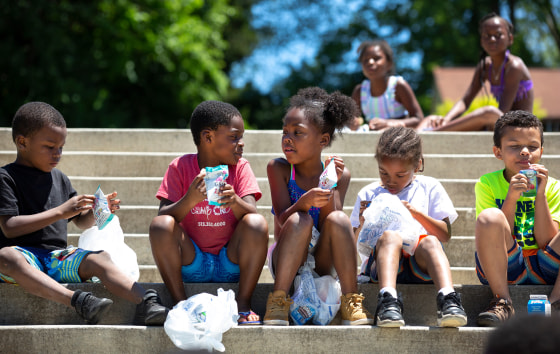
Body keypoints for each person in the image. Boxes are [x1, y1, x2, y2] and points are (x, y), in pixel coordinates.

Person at [0, 102, 168, 325]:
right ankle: (79, 301)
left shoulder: (59, 178)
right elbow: (9, 227)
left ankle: (147, 301)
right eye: (50, 147)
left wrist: (98, 212)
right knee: (5, 257)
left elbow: (79, 221)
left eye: (61, 147)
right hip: (23, 257)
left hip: (57, 258)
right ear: (22, 142)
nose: (57, 154)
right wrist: (61, 211)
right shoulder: (6, 178)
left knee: (100, 257)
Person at [149, 100, 268, 325]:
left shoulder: (240, 167)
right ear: (208, 137)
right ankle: (181, 306)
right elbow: (163, 215)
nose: (241, 144)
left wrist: (234, 201)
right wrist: (190, 200)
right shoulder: (180, 167)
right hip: (192, 261)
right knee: (160, 225)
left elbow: (252, 212)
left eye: (241, 137)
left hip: (229, 261)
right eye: (234, 137)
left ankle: (243, 304)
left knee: (256, 222)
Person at [265, 87, 373, 326]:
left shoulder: (340, 176)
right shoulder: (279, 169)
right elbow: (283, 220)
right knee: (299, 219)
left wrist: (330, 182)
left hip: (322, 262)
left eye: (297, 132)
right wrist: (303, 203)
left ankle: (351, 300)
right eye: (285, 132)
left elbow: (330, 224)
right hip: (287, 261)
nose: (287, 139)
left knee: (341, 220)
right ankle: (278, 300)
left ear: (323, 140)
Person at [351, 126, 467, 327]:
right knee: (390, 237)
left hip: (419, 264)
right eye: (383, 173)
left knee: (430, 241)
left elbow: (445, 234)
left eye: (400, 175)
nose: (391, 182)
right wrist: (362, 222)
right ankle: (388, 299)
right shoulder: (369, 193)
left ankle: (448, 299)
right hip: (381, 265)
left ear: (418, 165)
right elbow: (352, 246)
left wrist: (416, 213)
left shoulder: (429, 187)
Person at [474, 110, 560, 326]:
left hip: (546, 265)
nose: (524, 152)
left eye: (532, 146)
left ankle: (555, 303)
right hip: (507, 266)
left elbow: (547, 242)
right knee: (489, 217)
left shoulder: (554, 186)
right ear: (498, 152)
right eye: (514, 146)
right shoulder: (487, 183)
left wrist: (540, 195)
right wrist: (511, 198)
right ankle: (502, 302)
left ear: (541, 150)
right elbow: (495, 238)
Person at [420, 13, 534, 131]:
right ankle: (434, 131)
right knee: (432, 118)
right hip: (501, 124)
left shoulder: (514, 66)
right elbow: (465, 101)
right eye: (487, 35)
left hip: (521, 127)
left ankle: (436, 133)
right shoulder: (485, 67)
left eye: (498, 35)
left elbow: (503, 112)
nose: (492, 39)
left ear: (510, 39)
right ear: (481, 41)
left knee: (489, 112)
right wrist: (446, 119)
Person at [348, 39, 424, 131]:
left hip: (398, 139)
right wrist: (352, 123)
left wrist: (389, 124)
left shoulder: (398, 86)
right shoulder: (360, 91)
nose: (370, 62)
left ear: (389, 63)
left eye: (376, 58)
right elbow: (350, 120)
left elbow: (419, 119)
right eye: (365, 60)